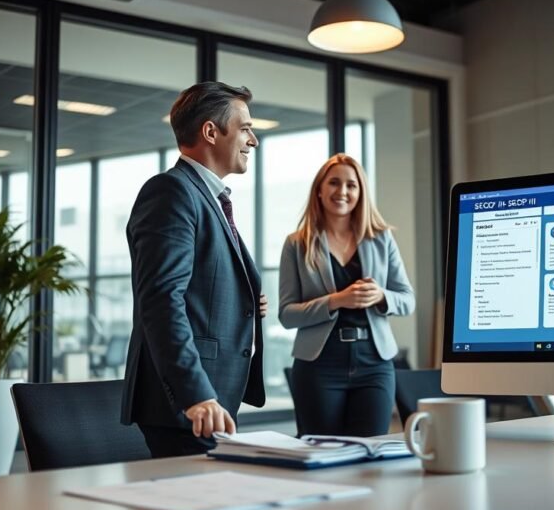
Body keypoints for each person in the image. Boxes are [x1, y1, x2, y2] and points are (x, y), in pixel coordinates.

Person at [121, 81, 268, 458]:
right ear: (210, 132)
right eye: (245, 129)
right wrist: (195, 394)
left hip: (211, 395)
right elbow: (161, 301)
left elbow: (200, 287)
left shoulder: (206, 196)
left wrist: (246, 302)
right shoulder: (171, 192)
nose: (253, 140)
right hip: (188, 402)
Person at [279, 154, 415, 437]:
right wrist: (336, 301)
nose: (342, 191)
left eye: (351, 185)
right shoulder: (297, 244)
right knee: (322, 453)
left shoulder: (381, 239)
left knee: (371, 451)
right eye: (334, 183)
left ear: (360, 192)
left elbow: (407, 300)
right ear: (319, 189)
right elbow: (287, 315)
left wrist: (381, 295)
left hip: (374, 364)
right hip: (319, 365)